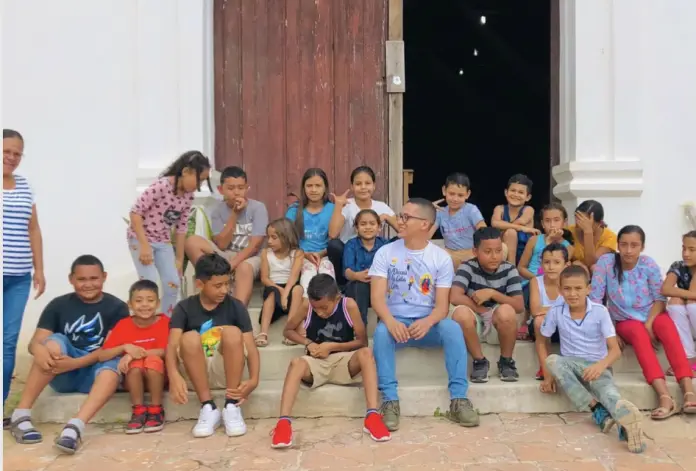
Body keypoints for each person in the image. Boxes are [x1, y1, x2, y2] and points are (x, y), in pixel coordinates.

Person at [370, 198, 478, 431]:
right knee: (381, 333)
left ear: (424, 224)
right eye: (400, 215)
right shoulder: (385, 252)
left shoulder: (440, 257)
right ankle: (389, 401)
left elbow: (442, 307)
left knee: (452, 329)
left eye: (406, 217)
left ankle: (459, 399)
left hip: (428, 325)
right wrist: (390, 321)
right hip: (396, 323)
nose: (400, 221)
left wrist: (428, 322)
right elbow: (376, 298)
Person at [9, 255, 129, 454]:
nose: (88, 284)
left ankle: (75, 427)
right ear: (71, 279)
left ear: (104, 277)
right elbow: (35, 342)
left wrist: (73, 363)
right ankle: (20, 415)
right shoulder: (58, 305)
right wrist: (39, 350)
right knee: (54, 342)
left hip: (95, 374)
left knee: (113, 364)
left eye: (94, 278)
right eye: (81, 279)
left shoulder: (117, 307)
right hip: (61, 373)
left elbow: (107, 350)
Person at [270, 275, 390, 448]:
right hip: (316, 362)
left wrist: (333, 346)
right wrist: (308, 343)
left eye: (324, 307)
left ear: (337, 298)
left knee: (366, 353)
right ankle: (283, 423)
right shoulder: (307, 306)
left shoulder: (348, 305)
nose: (319, 312)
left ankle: (372, 416)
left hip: (344, 361)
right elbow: (288, 330)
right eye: (315, 308)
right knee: (296, 363)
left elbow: (362, 341)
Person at [590, 225, 696, 419]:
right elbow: (596, 301)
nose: (628, 250)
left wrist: (649, 323)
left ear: (642, 247)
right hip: (624, 320)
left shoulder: (648, 264)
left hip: (652, 315)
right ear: (617, 245)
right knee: (639, 334)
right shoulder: (606, 263)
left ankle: (689, 392)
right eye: (624, 245)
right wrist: (610, 332)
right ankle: (665, 397)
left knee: (667, 327)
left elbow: (660, 298)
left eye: (634, 245)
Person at [539, 265, 645, 454]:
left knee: (610, 396)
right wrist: (548, 375)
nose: (573, 294)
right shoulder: (555, 311)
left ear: (588, 289)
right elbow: (541, 341)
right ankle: (597, 409)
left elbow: (615, 350)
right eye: (567, 289)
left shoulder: (600, 311)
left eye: (578, 288)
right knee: (553, 360)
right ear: (560, 290)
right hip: (571, 366)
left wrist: (600, 366)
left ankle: (628, 427)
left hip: (598, 367)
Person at [166, 253, 260, 438]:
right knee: (189, 338)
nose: (224, 290)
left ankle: (231, 405)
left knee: (232, 332)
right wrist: (174, 376)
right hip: (194, 372)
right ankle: (208, 407)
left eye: (227, 284)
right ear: (200, 284)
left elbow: (250, 346)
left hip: (225, 370)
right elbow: (171, 346)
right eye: (218, 286)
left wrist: (254, 379)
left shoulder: (236, 306)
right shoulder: (184, 307)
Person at [128, 150, 212, 316]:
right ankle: (147, 321)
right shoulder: (161, 186)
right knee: (149, 283)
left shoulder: (188, 196)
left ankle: (169, 321)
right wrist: (144, 246)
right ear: (186, 171)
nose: (199, 185)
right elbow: (135, 213)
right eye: (199, 179)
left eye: (203, 181)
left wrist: (179, 259)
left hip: (163, 241)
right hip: (141, 239)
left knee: (173, 282)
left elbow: (181, 228)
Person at [3, 129, 46, 428]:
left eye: (17, 153)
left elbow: (33, 229)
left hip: (19, 277)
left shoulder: (25, 185)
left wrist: (39, 269)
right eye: (6, 151)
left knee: (7, 343)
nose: (12, 157)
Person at [185, 166, 268, 306]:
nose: (236, 192)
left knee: (244, 267)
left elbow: (255, 246)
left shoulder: (258, 208)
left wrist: (231, 265)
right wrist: (234, 214)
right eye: (231, 188)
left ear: (247, 188)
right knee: (192, 242)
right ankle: (211, 280)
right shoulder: (217, 211)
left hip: (252, 257)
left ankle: (237, 312)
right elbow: (222, 245)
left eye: (241, 188)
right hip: (227, 255)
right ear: (221, 190)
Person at [451, 227, 524, 383]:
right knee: (460, 314)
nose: (494, 256)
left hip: (498, 325)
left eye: (498, 251)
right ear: (475, 251)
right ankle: (479, 361)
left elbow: (519, 306)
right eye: (488, 251)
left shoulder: (509, 269)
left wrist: (492, 293)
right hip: (475, 323)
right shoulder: (467, 267)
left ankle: (506, 361)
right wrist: (481, 310)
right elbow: (455, 296)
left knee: (507, 311)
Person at [99, 280, 170, 434]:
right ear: (129, 304)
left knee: (152, 361)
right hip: (132, 378)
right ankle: (138, 411)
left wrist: (133, 355)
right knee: (135, 365)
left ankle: (156, 409)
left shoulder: (165, 322)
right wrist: (124, 348)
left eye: (150, 300)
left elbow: (167, 351)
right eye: (138, 301)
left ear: (158, 303)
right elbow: (102, 355)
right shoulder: (123, 325)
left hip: (159, 377)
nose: (144, 305)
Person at [327, 166, 396, 286]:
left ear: (374, 186)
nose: (363, 187)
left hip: (374, 252)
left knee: (397, 242)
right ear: (352, 186)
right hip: (350, 254)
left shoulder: (382, 206)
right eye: (358, 184)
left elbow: (403, 231)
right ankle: (342, 283)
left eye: (367, 183)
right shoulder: (347, 205)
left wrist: (386, 216)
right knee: (334, 245)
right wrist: (338, 206)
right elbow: (333, 234)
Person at [516, 202, 573, 338]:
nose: (552, 225)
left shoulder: (568, 247)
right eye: (547, 221)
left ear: (564, 222)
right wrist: (536, 280)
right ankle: (526, 321)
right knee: (530, 290)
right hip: (530, 281)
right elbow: (521, 267)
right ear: (542, 223)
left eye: (556, 220)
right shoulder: (534, 240)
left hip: (552, 283)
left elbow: (559, 270)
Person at [286, 168, 336, 296]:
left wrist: (321, 253)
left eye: (318, 186)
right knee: (308, 274)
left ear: (325, 188)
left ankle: (329, 303)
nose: (313, 190)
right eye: (309, 186)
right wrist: (305, 254)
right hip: (301, 256)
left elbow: (336, 239)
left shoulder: (333, 209)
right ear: (303, 188)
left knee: (327, 272)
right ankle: (307, 303)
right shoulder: (294, 210)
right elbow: (287, 240)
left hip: (325, 255)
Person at [256, 218, 305, 347]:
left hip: (290, 286)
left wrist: (286, 293)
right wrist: (281, 291)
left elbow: (293, 277)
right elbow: (264, 278)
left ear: (286, 237)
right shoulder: (266, 253)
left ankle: (290, 330)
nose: (269, 241)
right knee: (272, 293)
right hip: (273, 286)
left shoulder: (297, 253)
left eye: (274, 237)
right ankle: (263, 332)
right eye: (268, 237)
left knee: (298, 289)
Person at [528, 243, 569, 379]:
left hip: (565, 325)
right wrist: (561, 309)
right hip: (540, 326)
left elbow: (574, 308)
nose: (551, 267)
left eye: (557, 262)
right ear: (541, 264)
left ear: (566, 265)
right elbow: (535, 310)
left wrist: (547, 309)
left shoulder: (570, 283)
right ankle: (545, 367)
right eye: (546, 262)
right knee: (540, 321)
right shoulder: (535, 281)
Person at [430, 172, 487, 269]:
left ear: (467, 194)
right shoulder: (440, 213)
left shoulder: (471, 209)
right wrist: (427, 210)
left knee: (502, 248)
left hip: (471, 253)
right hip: (450, 254)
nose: (455, 199)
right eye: (451, 194)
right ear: (444, 190)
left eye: (460, 195)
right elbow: (426, 236)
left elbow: (483, 231)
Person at [343, 209, 389, 325]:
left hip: (379, 287)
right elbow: (347, 271)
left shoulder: (386, 245)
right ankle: (361, 327)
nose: (368, 227)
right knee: (360, 285)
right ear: (356, 228)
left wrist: (377, 278)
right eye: (363, 224)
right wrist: (356, 275)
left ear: (379, 227)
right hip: (358, 289)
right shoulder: (351, 245)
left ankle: (383, 325)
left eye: (372, 224)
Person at [662, 231, 696, 371]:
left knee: (692, 304)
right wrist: (690, 296)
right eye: (684, 248)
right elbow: (665, 289)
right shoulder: (678, 266)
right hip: (689, 321)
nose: (686, 254)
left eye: (692, 249)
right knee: (675, 301)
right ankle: (689, 357)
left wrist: (688, 296)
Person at [491, 174, 538, 264]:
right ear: (506, 192)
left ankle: (511, 269)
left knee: (511, 232)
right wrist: (522, 228)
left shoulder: (528, 209)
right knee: (510, 233)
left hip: (525, 256)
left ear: (528, 197)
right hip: (503, 255)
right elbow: (495, 223)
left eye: (521, 192)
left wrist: (503, 228)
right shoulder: (499, 209)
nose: (516, 194)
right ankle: (511, 267)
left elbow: (520, 222)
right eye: (513, 190)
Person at [569, 200, 617, 272]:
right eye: (578, 219)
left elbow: (591, 263)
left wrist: (588, 232)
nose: (579, 225)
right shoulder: (570, 231)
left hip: (597, 273)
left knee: (594, 267)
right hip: (574, 273)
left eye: (585, 222)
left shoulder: (610, 237)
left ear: (600, 223)